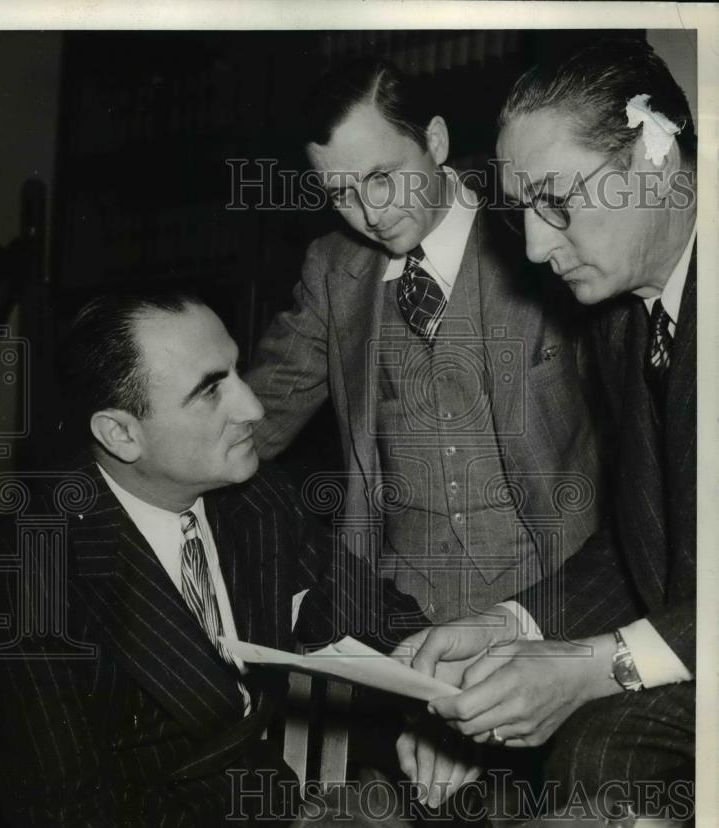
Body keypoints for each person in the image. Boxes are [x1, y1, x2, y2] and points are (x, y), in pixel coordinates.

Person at [0, 291, 432, 828]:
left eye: (238, 372)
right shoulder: (29, 568)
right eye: (210, 391)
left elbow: (372, 615)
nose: (252, 406)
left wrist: (446, 689)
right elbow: (65, 820)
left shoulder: (255, 496)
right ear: (120, 433)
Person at [403, 39, 697, 802]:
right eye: (520, 211)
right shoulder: (622, 321)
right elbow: (655, 552)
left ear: (654, 157)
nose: (534, 245)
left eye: (556, 202)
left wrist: (595, 666)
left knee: (602, 754)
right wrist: (513, 626)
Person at [246, 57, 601, 626]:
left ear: (434, 140)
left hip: (545, 609)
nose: (371, 213)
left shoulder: (539, 238)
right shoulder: (332, 273)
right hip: (399, 622)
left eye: (382, 177)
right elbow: (251, 422)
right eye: (342, 194)